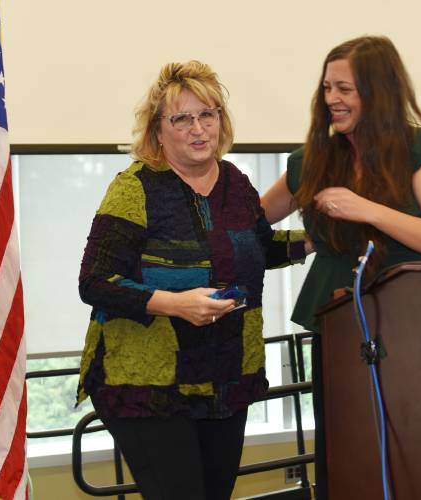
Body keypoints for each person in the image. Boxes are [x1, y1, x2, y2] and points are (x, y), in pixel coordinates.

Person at [75, 60, 308, 500]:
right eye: (181, 119)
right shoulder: (135, 188)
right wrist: (174, 303)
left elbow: (257, 249)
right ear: (157, 131)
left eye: (208, 115)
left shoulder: (236, 184)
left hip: (226, 376)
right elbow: (95, 282)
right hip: (147, 384)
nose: (198, 129)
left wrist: (313, 240)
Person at [260, 36, 421, 499]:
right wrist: (307, 242)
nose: (332, 99)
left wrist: (367, 209)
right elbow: (250, 224)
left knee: (409, 445)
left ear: (379, 91)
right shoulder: (311, 160)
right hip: (336, 326)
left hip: (411, 324)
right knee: (346, 447)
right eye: (327, 88)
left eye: (345, 89)